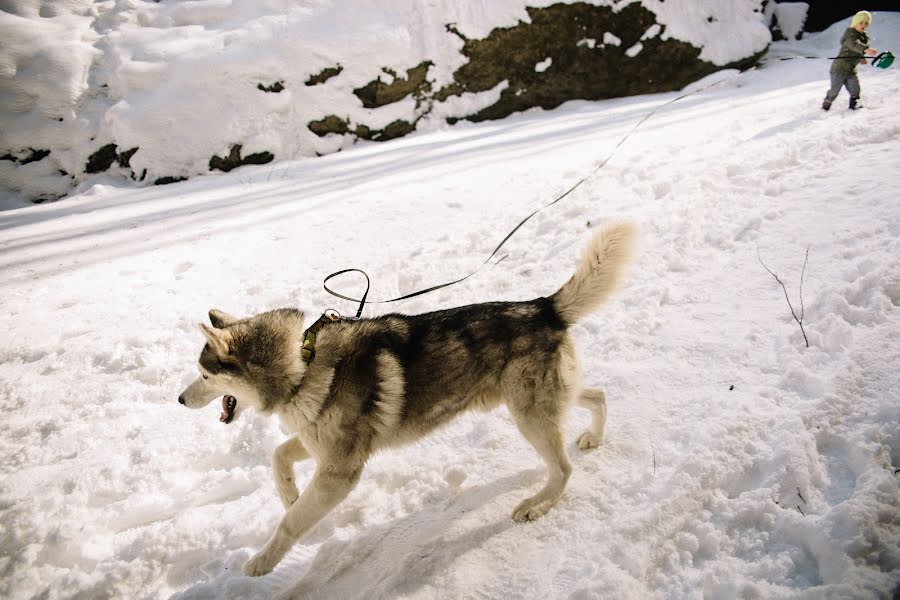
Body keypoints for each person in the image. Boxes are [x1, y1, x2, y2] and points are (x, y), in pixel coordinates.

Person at [823, 11, 878, 110]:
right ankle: (828, 101)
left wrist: (861, 58)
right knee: (835, 90)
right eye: (861, 23)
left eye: (866, 23)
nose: (863, 25)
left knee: (855, 89)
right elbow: (853, 45)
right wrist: (865, 49)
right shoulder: (849, 34)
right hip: (839, 69)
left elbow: (856, 52)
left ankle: (855, 104)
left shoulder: (864, 37)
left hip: (851, 70)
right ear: (854, 23)